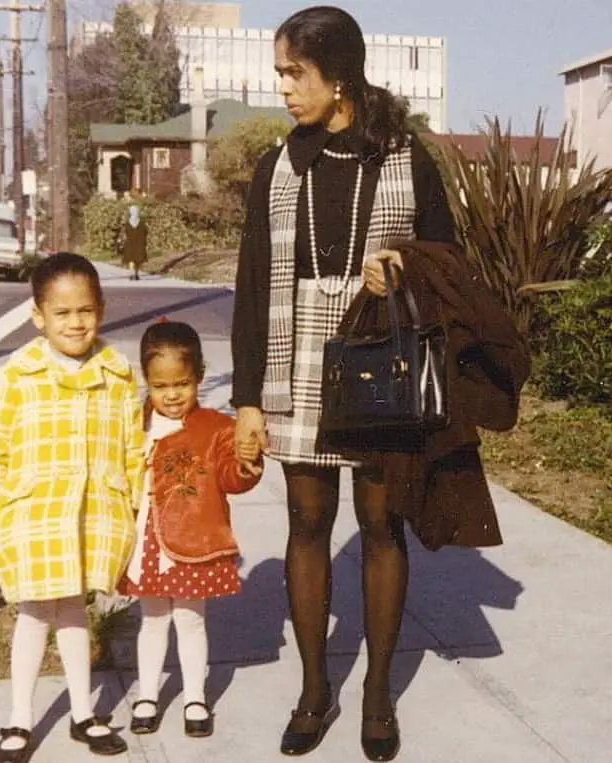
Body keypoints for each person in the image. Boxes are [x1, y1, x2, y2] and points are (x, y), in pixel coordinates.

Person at [231, 6, 458, 761]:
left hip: (378, 356)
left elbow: (447, 260)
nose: (285, 89)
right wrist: (245, 402)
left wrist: (398, 266)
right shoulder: (277, 164)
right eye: (281, 75)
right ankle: (313, 687)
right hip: (295, 356)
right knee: (304, 522)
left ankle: (377, 692)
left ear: (340, 76)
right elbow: (252, 284)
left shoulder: (404, 157)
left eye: (296, 74)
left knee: (382, 522)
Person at [0, 252, 143, 762]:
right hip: (33, 513)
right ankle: (19, 719)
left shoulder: (117, 373)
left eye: (86, 311)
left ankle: (81, 712)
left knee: (73, 612)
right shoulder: (18, 374)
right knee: (33, 614)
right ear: (39, 316)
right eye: (63, 313)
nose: (76, 322)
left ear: (102, 309)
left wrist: (133, 505)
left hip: (92, 512)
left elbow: (131, 445)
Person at [119, 320, 263, 739]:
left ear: (199, 375)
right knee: (152, 620)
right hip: (146, 540)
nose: (172, 395)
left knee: (190, 620)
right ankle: (147, 694)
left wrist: (245, 460)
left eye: (182, 383)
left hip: (194, 540)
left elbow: (231, 478)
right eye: (161, 386)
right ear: (147, 381)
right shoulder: (134, 423)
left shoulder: (217, 428)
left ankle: (195, 696)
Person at [120, 204, 148, 281]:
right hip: (140, 243)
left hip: (130, 243)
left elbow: (125, 233)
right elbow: (146, 232)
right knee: (138, 260)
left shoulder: (127, 223)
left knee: (131, 259)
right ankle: (136, 274)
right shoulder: (142, 223)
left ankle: (131, 274)